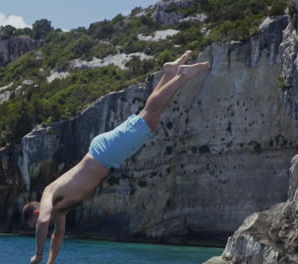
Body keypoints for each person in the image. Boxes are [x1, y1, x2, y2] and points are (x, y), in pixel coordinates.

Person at [22, 50, 210, 264]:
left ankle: (182, 76)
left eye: (34, 225)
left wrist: (37, 254)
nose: (40, 227)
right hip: (106, 156)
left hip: (103, 155)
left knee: (149, 119)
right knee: (147, 118)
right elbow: (58, 235)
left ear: (35, 212)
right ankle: (169, 73)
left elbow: (44, 222)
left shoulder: (48, 194)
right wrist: (49, 261)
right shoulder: (61, 208)